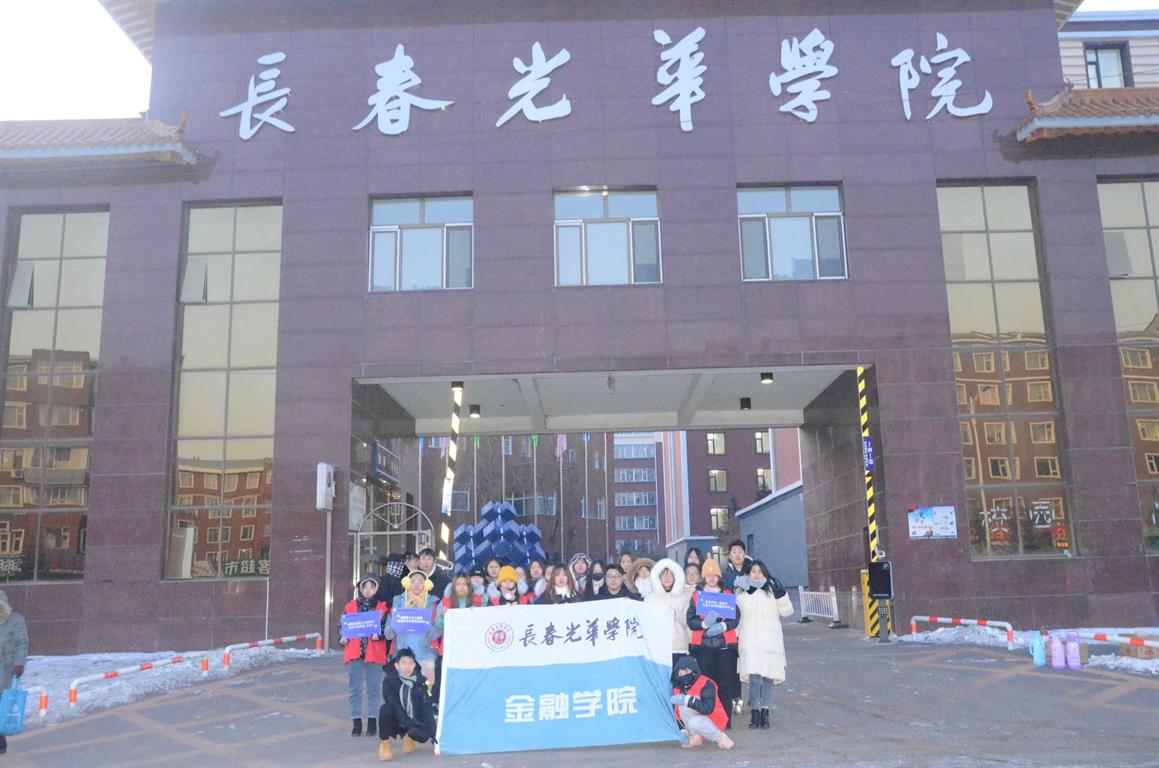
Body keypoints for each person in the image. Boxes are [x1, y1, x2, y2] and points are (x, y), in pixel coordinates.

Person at [734, 560, 794, 729]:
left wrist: (781, 594)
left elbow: (787, 611)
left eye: (760, 571)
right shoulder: (740, 592)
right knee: (754, 679)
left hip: (770, 639)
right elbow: (735, 616)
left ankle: (765, 713)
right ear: (748, 573)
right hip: (750, 640)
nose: (757, 575)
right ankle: (755, 712)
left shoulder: (771, 590)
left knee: (768, 678)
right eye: (753, 571)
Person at [686, 558, 740, 729]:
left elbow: (736, 616)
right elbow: (690, 620)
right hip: (703, 648)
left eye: (714, 575)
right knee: (708, 685)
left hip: (725, 647)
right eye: (708, 575)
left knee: (725, 684)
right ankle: (710, 718)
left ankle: (725, 719)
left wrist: (724, 626)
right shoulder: (697, 596)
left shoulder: (727, 594)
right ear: (703, 577)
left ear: (719, 577)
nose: (711, 578)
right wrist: (703, 624)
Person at [341, 575, 389, 737]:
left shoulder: (383, 608)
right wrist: (342, 635)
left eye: (372, 587)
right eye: (365, 587)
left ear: (377, 589)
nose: (368, 590)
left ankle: (372, 722)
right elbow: (342, 626)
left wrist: (380, 634)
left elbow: (387, 628)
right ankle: (356, 722)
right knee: (355, 689)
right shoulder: (350, 606)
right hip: (354, 653)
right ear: (360, 589)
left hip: (374, 654)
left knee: (373, 689)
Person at [377, 648, 437, 761]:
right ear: (397, 666)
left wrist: (434, 736)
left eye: (410, 663)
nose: (407, 666)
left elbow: (427, 707)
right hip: (397, 716)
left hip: (414, 717)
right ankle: (384, 743)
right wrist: (408, 723)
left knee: (423, 735)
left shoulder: (422, 681)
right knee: (385, 709)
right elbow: (393, 704)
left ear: (414, 665)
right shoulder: (389, 680)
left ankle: (411, 737)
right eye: (403, 663)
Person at [432, 573, 482, 703]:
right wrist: (442, 615)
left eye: (465, 584)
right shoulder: (445, 601)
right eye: (458, 584)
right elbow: (438, 625)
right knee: (447, 679)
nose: (461, 587)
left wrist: (477, 613)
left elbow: (483, 624)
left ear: (469, 587)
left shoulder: (478, 601)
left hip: (470, 648)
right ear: (453, 586)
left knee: (468, 679)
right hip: (450, 646)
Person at [670, 655, 734, 751]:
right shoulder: (678, 688)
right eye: (680, 672)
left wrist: (688, 700)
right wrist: (683, 731)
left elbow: (708, 708)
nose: (683, 674)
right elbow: (678, 713)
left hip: (715, 721)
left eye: (686, 671)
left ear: (693, 670)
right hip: (695, 723)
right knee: (684, 708)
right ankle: (695, 736)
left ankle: (720, 738)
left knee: (693, 720)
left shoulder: (706, 683)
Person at [388, 571, 440, 681]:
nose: (416, 584)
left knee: (426, 689)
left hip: (425, 656)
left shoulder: (432, 603)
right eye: (413, 581)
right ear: (407, 583)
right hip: (403, 656)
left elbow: (438, 629)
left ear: (427, 584)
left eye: (421, 582)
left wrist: (429, 628)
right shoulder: (398, 601)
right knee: (403, 689)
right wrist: (395, 626)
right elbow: (388, 632)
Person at [646, 559, 692, 667]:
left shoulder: (685, 596)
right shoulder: (650, 598)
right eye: (664, 575)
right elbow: (646, 622)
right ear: (658, 577)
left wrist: (676, 614)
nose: (667, 578)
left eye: (670, 575)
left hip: (679, 647)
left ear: (676, 577)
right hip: (658, 648)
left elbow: (690, 621)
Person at [0, 592, 27, 755]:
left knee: (1, 706)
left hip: (5, 670)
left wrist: (19, 663)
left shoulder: (16, 620)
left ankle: (0, 743)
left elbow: (22, 643)